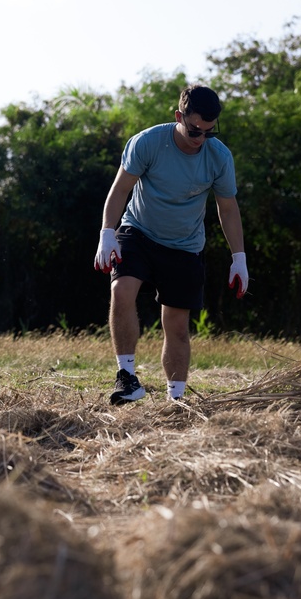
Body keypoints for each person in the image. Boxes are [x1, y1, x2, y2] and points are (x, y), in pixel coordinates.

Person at [94, 84, 247, 405]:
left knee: (176, 325)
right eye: (194, 129)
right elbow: (120, 189)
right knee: (120, 291)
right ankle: (128, 379)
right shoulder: (148, 142)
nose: (200, 138)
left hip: (185, 246)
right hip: (138, 232)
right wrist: (107, 233)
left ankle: (176, 401)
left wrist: (239, 257)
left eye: (209, 131)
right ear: (179, 117)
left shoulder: (218, 157)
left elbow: (228, 208)